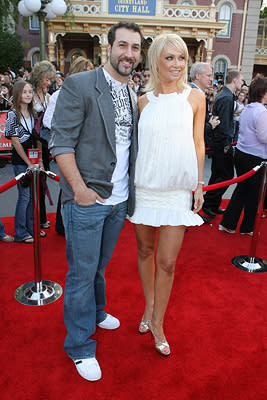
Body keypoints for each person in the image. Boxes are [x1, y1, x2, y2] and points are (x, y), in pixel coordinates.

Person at [49, 21, 142, 381]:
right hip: (87, 201)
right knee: (81, 274)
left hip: (118, 202)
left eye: (135, 48)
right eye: (123, 46)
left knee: (98, 269)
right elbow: (61, 142)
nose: (129, 54)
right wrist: (79, 189)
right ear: (109, 47)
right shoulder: (80, 84)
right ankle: (80, 344)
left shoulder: (133, 91)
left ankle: (98, 312)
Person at [128, 33, 205, 357]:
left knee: (168, 261)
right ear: (156, 61)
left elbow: (198, 143)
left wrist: (198, 184)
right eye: (170, 58)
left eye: (181, 58)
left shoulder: (195, 97)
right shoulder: (143, 101)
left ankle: (158, 322)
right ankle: (149, 308)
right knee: (145, 251)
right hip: (145, 187)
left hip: (176, 190)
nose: (176, 64)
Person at [43, 57, 94, 236]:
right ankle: (64, 225)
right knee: (69, 185)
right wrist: (66, 129)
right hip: (68, 148)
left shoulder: (93, 94)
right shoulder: (60, 94)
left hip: (88, 149)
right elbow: (48, 120)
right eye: (86, 70)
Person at [219, 77, 267, 235]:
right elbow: (263, 137)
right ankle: (247, 228)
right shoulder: (261, 112)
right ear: (263, 93)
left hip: (241, 153)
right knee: (253, 194)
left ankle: (228, 223)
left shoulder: (247, 108)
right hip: (255, 157)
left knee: (241, 190)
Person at [5, 81, 46, 243]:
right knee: (25, 196)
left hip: (35, 160)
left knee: (32, 197)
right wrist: (29, 163)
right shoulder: (12, 114)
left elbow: (38, 139)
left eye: (30, 91)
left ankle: (31, 228)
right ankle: (21, 232)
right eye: (24, 92)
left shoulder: (34, 113)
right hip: (21, 161)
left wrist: (40, 160)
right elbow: (15, 142)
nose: (28, 95)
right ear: (17, 94)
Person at [202, 70, 243, 218]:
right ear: (235, 80)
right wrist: (227, 145)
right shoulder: (226, 98)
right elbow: (224, 125)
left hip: (220, 142)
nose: (242, 83)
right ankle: (209, 203)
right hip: (222, 143)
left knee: (218, 175)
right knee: (225, 175)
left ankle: (211, 204)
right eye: (241, 80)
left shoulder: (226, 96)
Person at [31, 60, 55, 230]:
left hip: (44, 142)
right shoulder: (29, 94)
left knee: (43, 180)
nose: (48, 83)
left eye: (50, 80)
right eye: (46, 79)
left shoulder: (47, 96)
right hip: (32, 143)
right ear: (39, 77)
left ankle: (42, 217)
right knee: (34, 183)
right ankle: (34, 220)